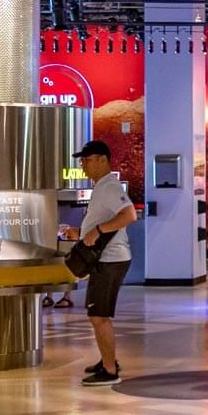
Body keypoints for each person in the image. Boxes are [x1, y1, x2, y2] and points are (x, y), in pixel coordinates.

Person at [74, 139, 139, 386]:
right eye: (82, 161)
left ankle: (110, 371)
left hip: (110, 260)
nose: (83, 165)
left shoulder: (109, 187)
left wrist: (99, 230)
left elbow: (129, 215)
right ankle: (107, 360)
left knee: (98, 316)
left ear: (102, 160)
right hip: (107, 259)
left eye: (87, 160)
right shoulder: (102, 186)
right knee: (99, 315)